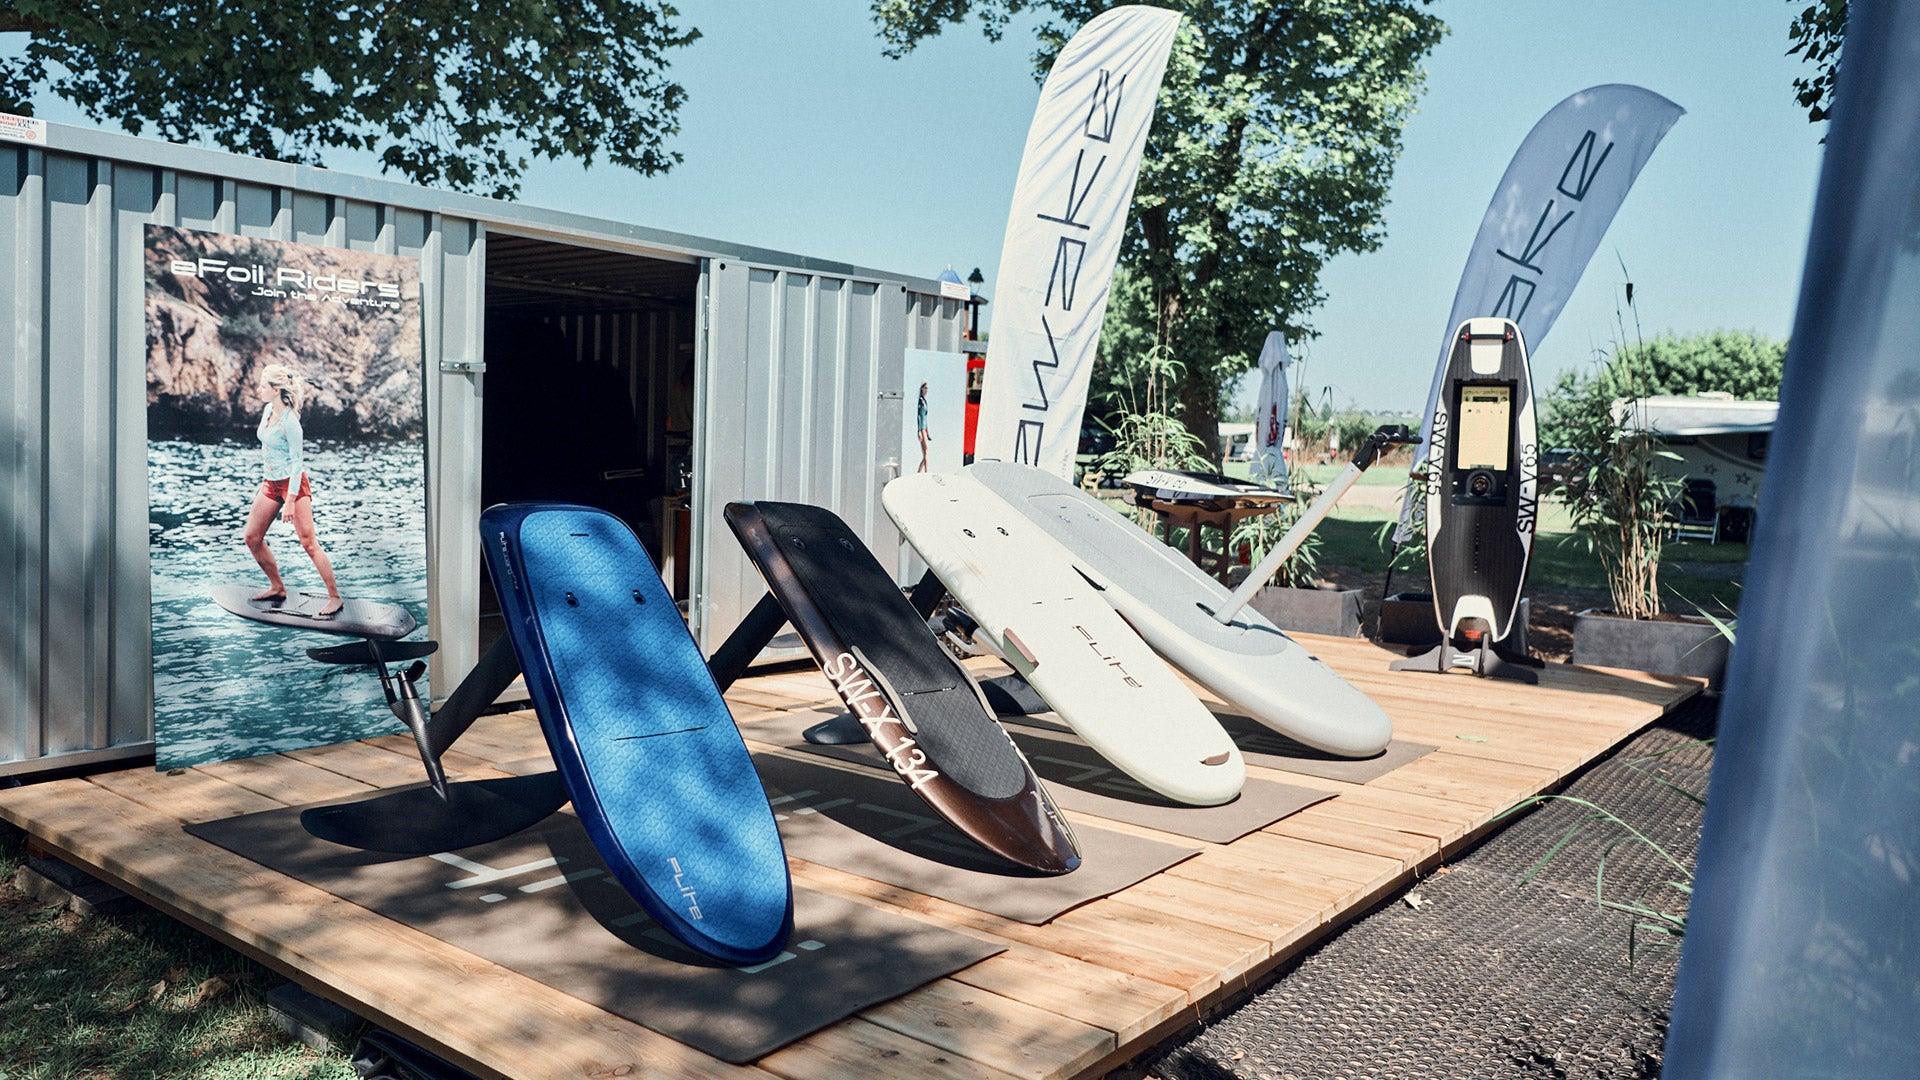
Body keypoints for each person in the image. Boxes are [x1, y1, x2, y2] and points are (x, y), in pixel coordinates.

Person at [243, 363, 344, 616]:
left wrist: (289, 501)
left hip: (293, 484)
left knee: (309, 543)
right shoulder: (268, 411)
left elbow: (297, 465)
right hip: (270, 482)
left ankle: (335, 596)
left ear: (276, 390)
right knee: (252, 537)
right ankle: (277, 587)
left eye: (263, 386)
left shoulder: (291, 423)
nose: (258, 389)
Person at [916, 381, 931, 473]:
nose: (926, 390)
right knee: (926, 452)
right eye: (925, 388)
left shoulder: (925, 401)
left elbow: (926, 417)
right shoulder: (920, 401)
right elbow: (919, 416)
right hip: (921, 428)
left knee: (925, 453)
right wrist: (919, 431)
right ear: (922, 389)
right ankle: (926, 471)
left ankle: (919, 472)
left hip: (924, 428)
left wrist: (928, 432)